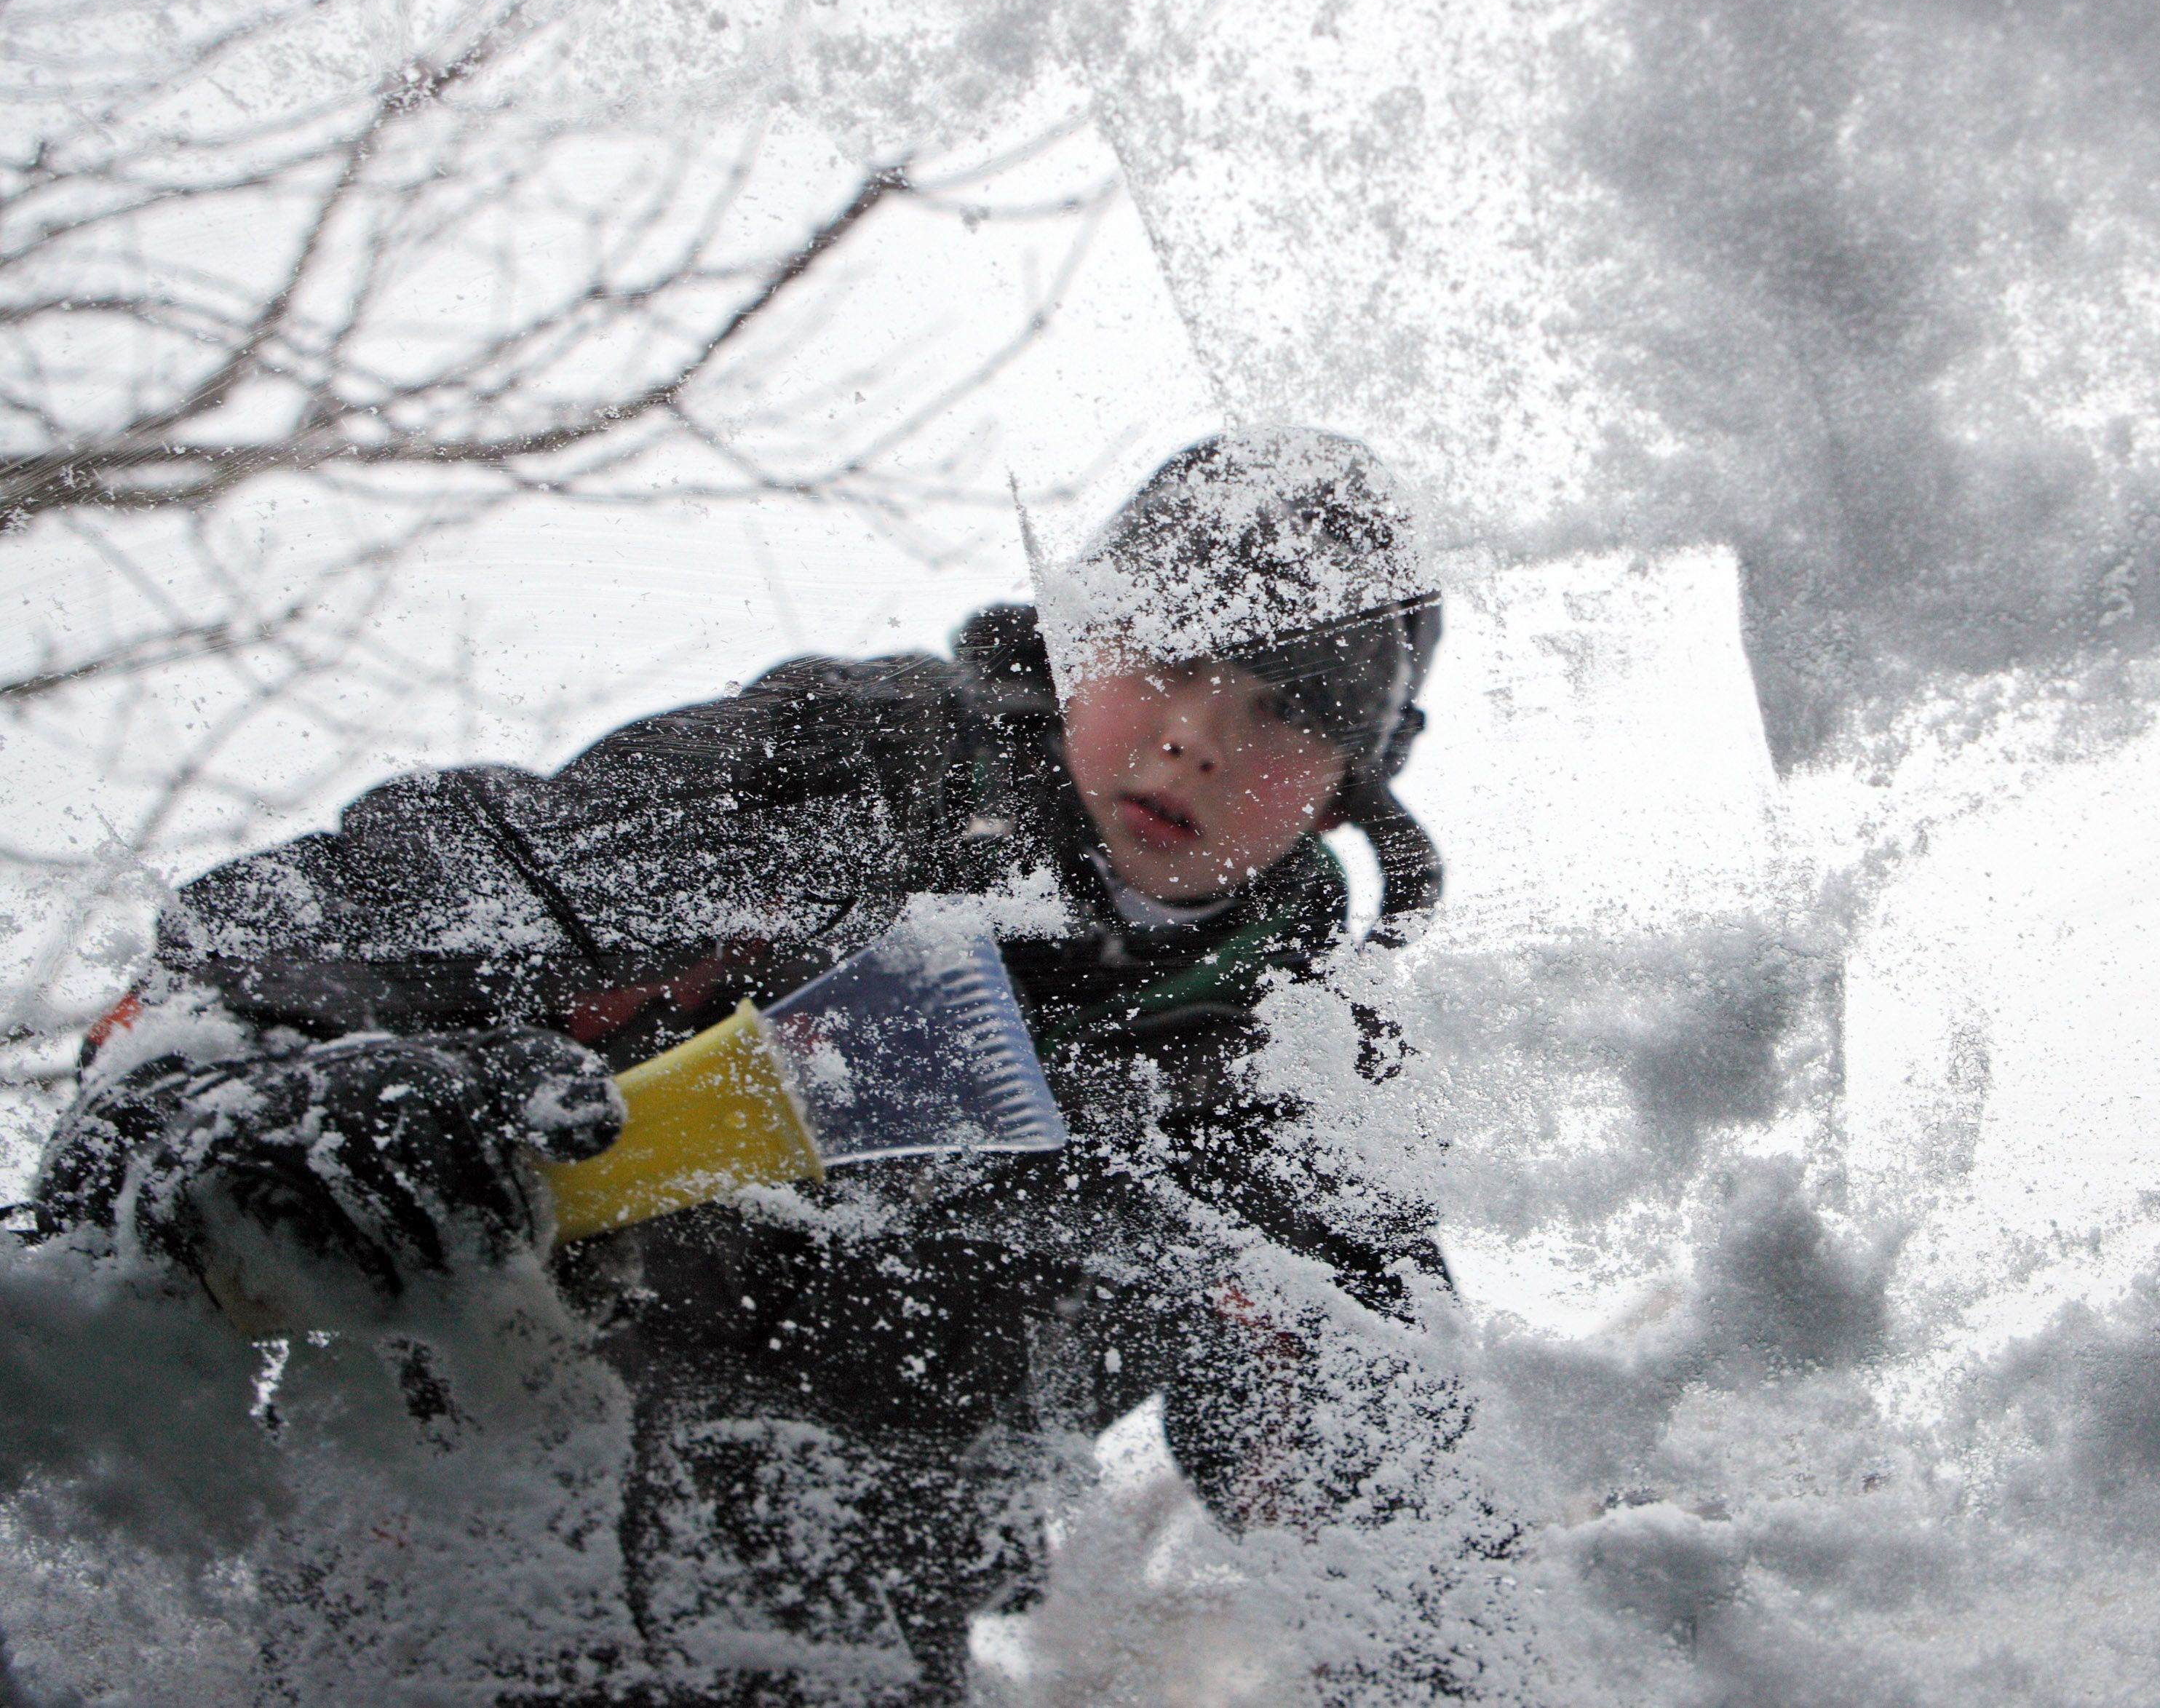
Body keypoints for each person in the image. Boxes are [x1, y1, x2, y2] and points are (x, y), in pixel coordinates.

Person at [30, 429, 1458, 1704]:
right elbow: (256, 977)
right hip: (444, 1579)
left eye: (1285, 707)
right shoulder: (843, 781)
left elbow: (1403, 1511)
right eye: (1172, 652)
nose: (1194, 732)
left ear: (1354, 780)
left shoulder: (1291, 1078)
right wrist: (223, 1114)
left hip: (847, 1657)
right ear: (1079, 637)